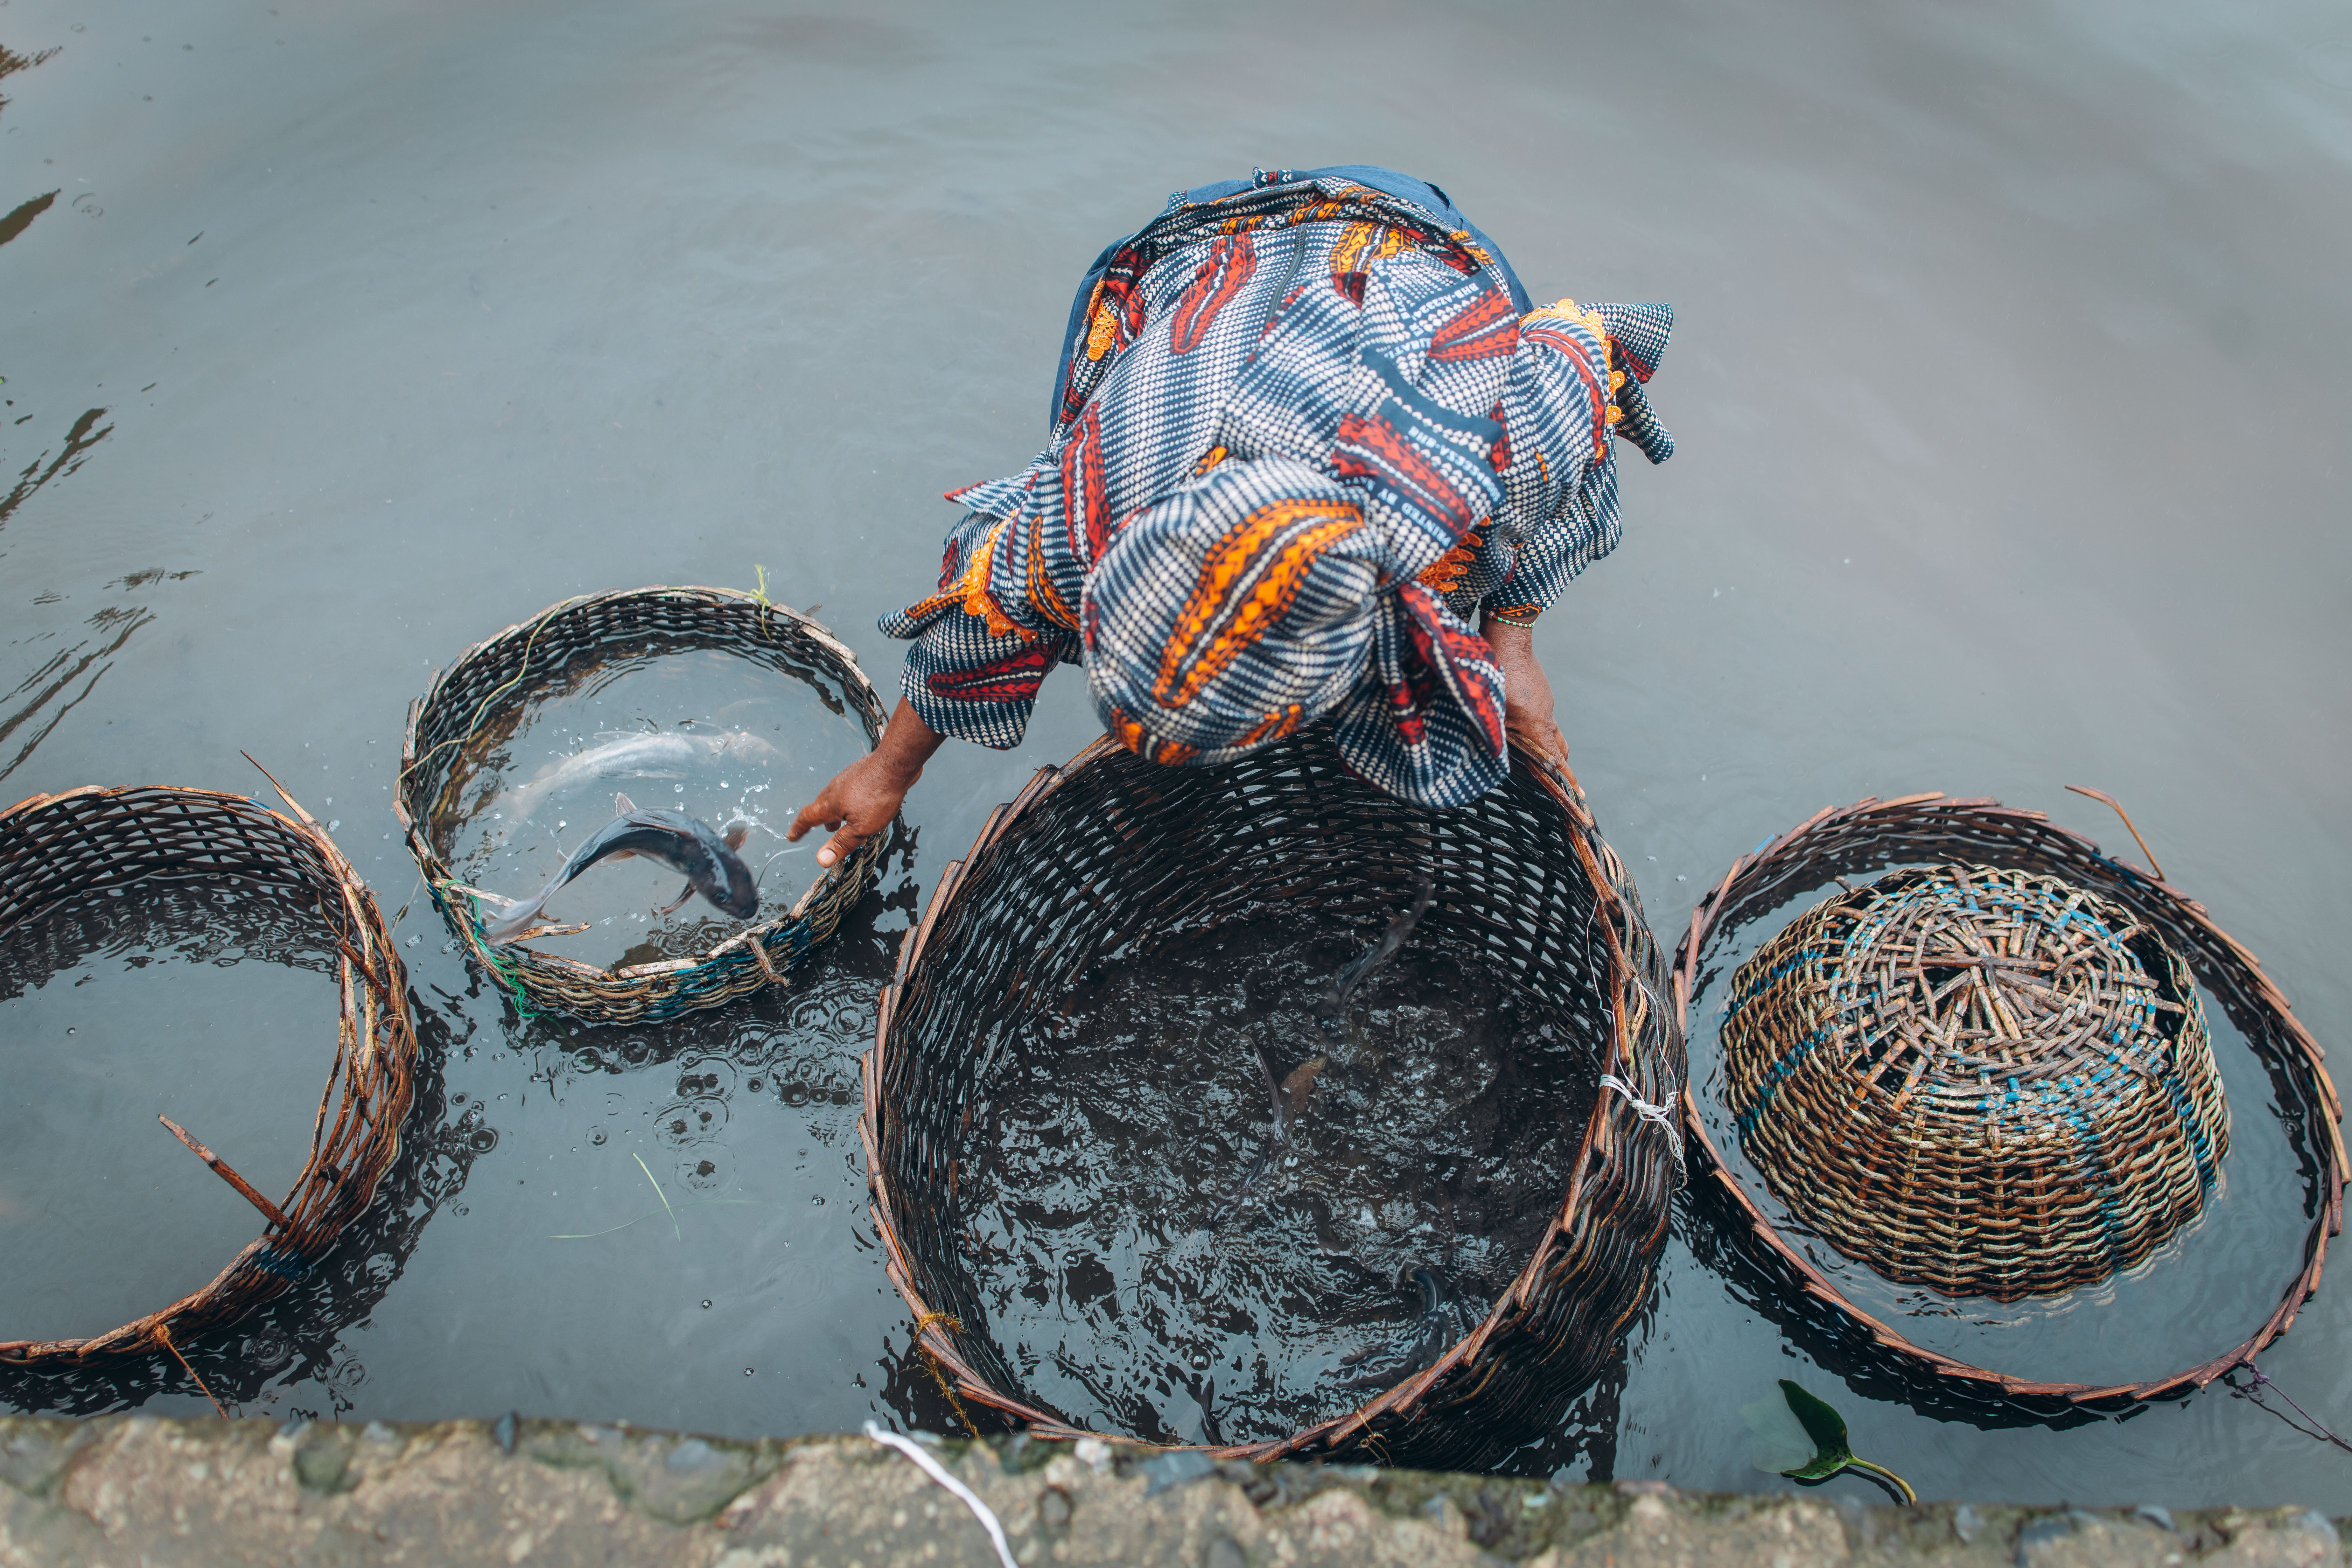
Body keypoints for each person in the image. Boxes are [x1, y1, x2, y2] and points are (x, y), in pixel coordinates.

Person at [788, 166, 1672, 869]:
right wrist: (885, 773)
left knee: (1504, 539)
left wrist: (1513, 642)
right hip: (1226, 275)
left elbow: (1581, 353)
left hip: (1411, 259)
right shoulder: (1090, 507)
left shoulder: (1486, 457)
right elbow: (988, 616)